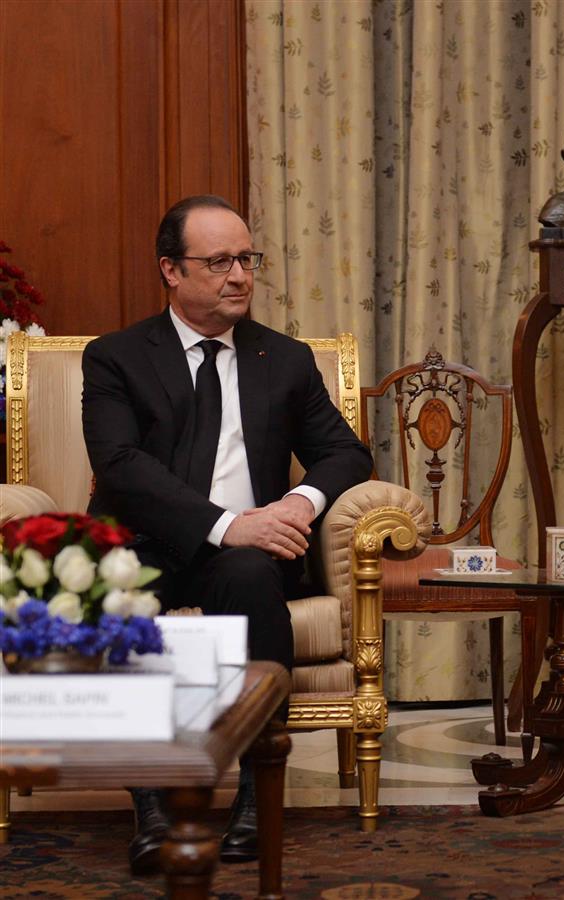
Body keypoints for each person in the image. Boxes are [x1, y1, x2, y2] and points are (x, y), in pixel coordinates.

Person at [82, 195, 372, 875]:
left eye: (247, 259)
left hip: (245, 560)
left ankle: (252, 795)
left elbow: (346, 453)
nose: (240, 275)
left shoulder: (286, 358)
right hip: (145, 548)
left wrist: (298, 504)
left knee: (248, 574)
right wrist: (226, 524)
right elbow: (120, 467)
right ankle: (151, 805)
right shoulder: (116, 358)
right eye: (219, 261)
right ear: (171, 271)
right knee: (118, 589)